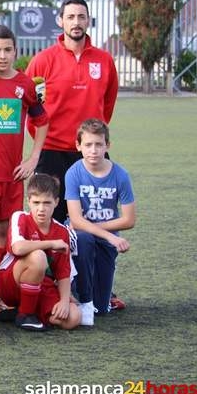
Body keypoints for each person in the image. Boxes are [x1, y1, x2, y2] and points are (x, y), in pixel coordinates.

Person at [0, 25, 48, 317]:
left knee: (7, 231)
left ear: (16, 52)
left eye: (8, 50)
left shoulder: (25, 85)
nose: (2, 56)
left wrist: (33, 159)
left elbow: (42, 121)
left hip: (15, 173)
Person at [25, 0, 118, 225]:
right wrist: (44, 138)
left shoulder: (104, 60)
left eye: (81, 17)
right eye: (70, 17)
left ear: (88, 22)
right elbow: (29, 106)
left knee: (94, 220)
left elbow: (108, 104)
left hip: (89, 152)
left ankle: (93, 261)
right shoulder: (42, 61)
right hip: (52, 152)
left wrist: (92, 139)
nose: (76, 22)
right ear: (60, 21)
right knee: (50, 221)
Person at [65, 119, 136, 326]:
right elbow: (76, 221)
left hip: (106, 241)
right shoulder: (74, 173)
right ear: (78, 146)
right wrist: (109, 235)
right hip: (82, 237)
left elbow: (129, 219)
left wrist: (103, 234)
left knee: (102, 308)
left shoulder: (120, 175)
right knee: (84, 238)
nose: (93, 150)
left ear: (108, 146)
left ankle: (96, 297)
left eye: (98, 144)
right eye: (88, 145)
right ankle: (79, 295)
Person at [0, 174, 81, 331]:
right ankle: (25, 315)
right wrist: (51, 243)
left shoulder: (62, 231)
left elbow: (63, 272)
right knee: (38, 256)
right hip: (10, 281)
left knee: (73, 318)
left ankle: (25, 310)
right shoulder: (19, 217)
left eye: (47, 203)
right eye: (36, 202)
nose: (41, 209)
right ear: (28, 202)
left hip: (42, 285)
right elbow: (18, 248)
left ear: (56, 202)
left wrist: (63, 301)